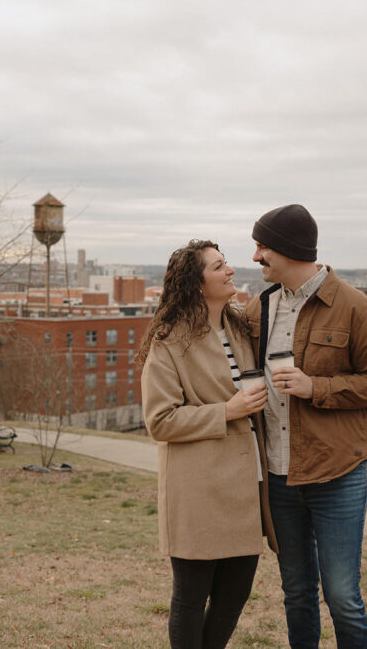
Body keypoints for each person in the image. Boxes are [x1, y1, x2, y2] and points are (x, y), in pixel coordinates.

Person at [244, 204, 367, 649]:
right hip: (278, 475)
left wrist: (316, 387)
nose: (255, 257)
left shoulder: (355, 307)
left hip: (338, 475)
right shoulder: (260, 307)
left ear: (288, 250)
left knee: (343, 596)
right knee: (297, 594)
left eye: (262, 247)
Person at [139, 239, 278, 649]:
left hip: (246, 486)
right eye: (219, 267)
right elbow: (160, 420)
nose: (230, 270)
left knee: (235, 595)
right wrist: (227, 411)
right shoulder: (169, 340)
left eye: (226, 263)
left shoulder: (240, 328)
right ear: (196, 283)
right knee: (190, 597)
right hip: (197, 490)